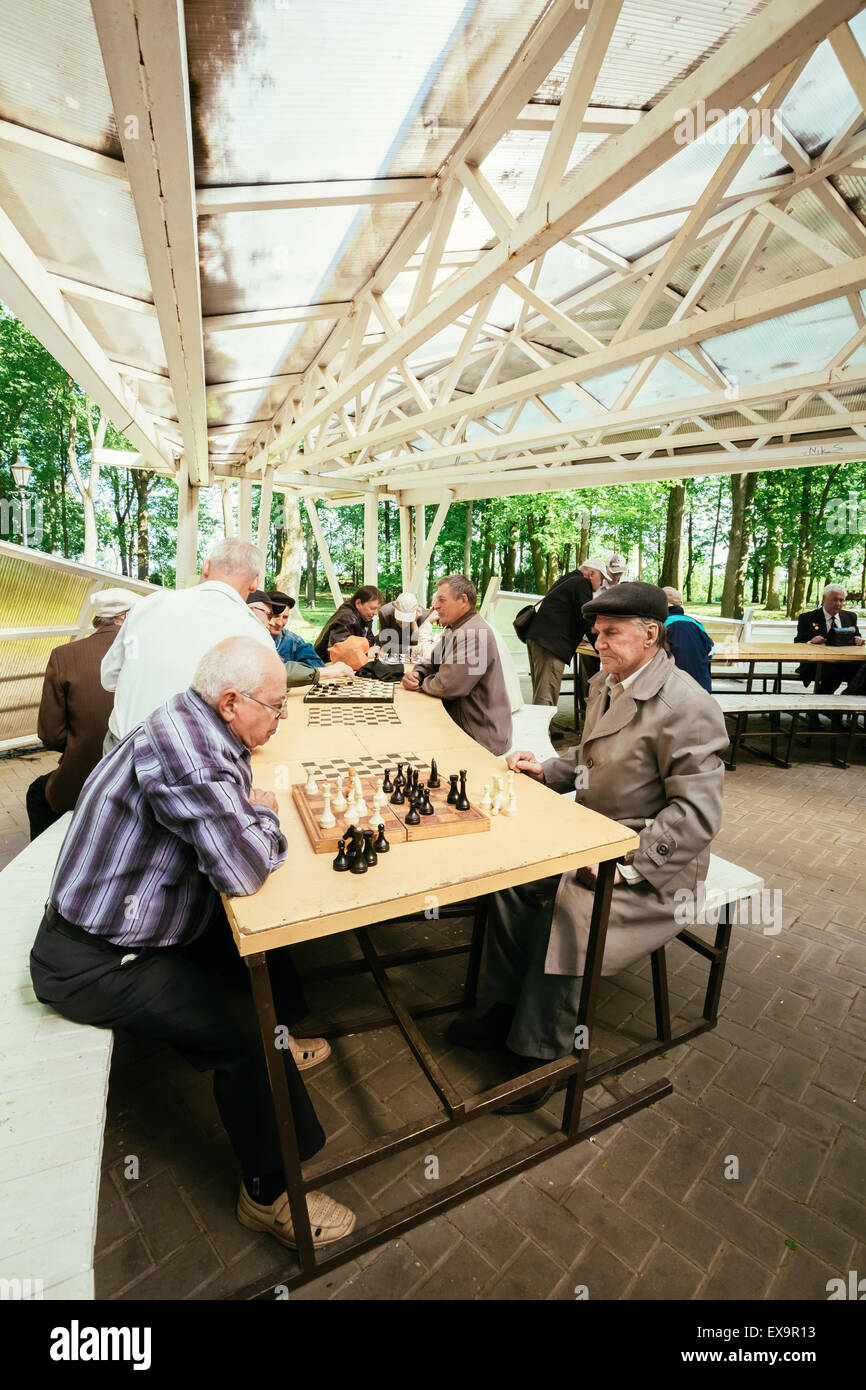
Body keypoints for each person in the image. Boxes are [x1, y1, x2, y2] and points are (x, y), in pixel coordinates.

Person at [30, 636, 355, 1250]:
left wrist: (250, 813)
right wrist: (265, 819)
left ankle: (282, 1045)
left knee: (257, 956)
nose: (282, 718)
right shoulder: (191, 755)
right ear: (231, 700)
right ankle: (269, 1195)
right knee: (247, 1031)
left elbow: (239, 816)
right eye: (277, 707)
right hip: (93, 961)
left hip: (128, 926)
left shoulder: (194, 717)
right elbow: (242, 868)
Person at [447, 582, 728, 1113]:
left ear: (651, 634)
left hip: (653, 863)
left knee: (568, 904)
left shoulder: (687, 705)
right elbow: (591, 757)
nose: (597, 642)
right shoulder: (608, 681)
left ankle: (545, 1056)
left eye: (611, 633)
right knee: (509, 881)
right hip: (591, 834)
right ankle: (506, 1009)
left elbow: (696, 815)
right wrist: (548, 770)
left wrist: (630, 868)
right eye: (596, 633)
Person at [101, 539, 275, 746]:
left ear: (206, 567)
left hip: (123, 747)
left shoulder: (148, 605)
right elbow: (262, 720)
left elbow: (109, 678)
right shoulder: (256, 633)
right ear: (255, 582)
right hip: (198, 758)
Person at [26, 589, 139, 840]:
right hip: (142, 783)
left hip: (83, 781)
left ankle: (47, 863)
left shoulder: (63, 655)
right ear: (126, 618)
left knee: (37, 793)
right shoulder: (149, 654)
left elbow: (51, 735)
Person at [402, 574, 512, 755]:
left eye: (441, 600)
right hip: (468, 725)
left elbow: (448, 686)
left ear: (463, 600)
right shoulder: (454, 628)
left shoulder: (474, 633)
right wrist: (418, 673)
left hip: (480, 737)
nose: (435, 606)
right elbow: (432, 661)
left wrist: (421, 684)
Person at [524, 564, 594, 715]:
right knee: (546, 697)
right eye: (601, 579)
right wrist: (600, 645)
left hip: (537, 638)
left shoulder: (567, 579)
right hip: (551, 645)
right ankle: (539, 735)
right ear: (592, 573)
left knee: (540, 692)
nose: (600, 584)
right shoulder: (583, 583)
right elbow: (586, 618)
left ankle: (546, 730)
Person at [246, 591, 353, 685]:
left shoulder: (293, 641)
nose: (278, 622)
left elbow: (317, 666)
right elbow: (269, 673)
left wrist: (297, 672)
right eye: (273, 615)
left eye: (285, 617)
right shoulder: (248, 639)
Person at [795, 584, 863, 694]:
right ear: (824, 598)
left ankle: (850, 698)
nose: (838, 604)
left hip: (846, 661)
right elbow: (798, 642)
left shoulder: (850, 616)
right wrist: (810, 642)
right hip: (817, 663)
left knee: (862, 670)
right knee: (835, 672)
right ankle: (821, 705)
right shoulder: (807, 618)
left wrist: (858, 639)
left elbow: (857, 636)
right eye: (835, 600)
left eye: (841, 600)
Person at [662, 586, 714, 693]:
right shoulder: (697, 624)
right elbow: (711, 652)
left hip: (674, 690)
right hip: (703, 688)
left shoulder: (661, 625)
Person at [313, 585, 383, 659]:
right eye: (372, 608)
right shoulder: (346, 618)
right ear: (358, 603)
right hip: (323, 664)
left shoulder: (363, 616)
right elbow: (339, 653)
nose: (376, 613)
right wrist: (366, 654)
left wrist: (376, 650)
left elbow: (368, 640)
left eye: (377, 609)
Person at [377, 592, 430, 656]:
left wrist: (414, 623)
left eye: (407, 620)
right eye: (400, 619)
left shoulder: (423, 616)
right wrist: (408, 648)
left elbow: (420, 647)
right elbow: (385, 645)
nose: (403, 623)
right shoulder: (385, 613)